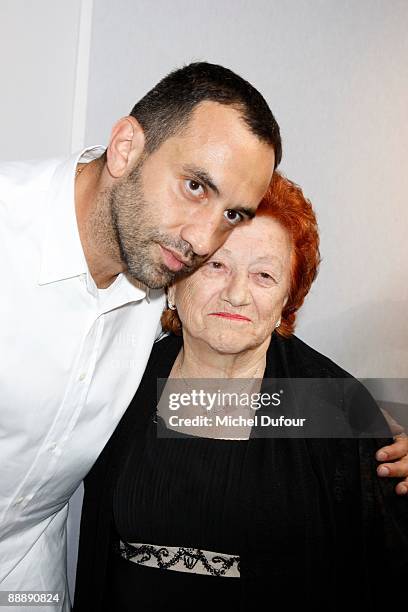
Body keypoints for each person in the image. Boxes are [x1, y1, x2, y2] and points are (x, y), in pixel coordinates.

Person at [0, 62, 281, 610]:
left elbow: (230, 381)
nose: (204, 240)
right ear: (126, 147)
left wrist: (364, 427)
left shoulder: (163, 279)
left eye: (232, 213)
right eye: (195, 185)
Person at [74, 173, 408, 611]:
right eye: (216, 265)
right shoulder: (120, 380)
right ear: (174, 280)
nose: (236, 294)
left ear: (286, 303)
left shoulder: (334, 405)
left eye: (264, 275)